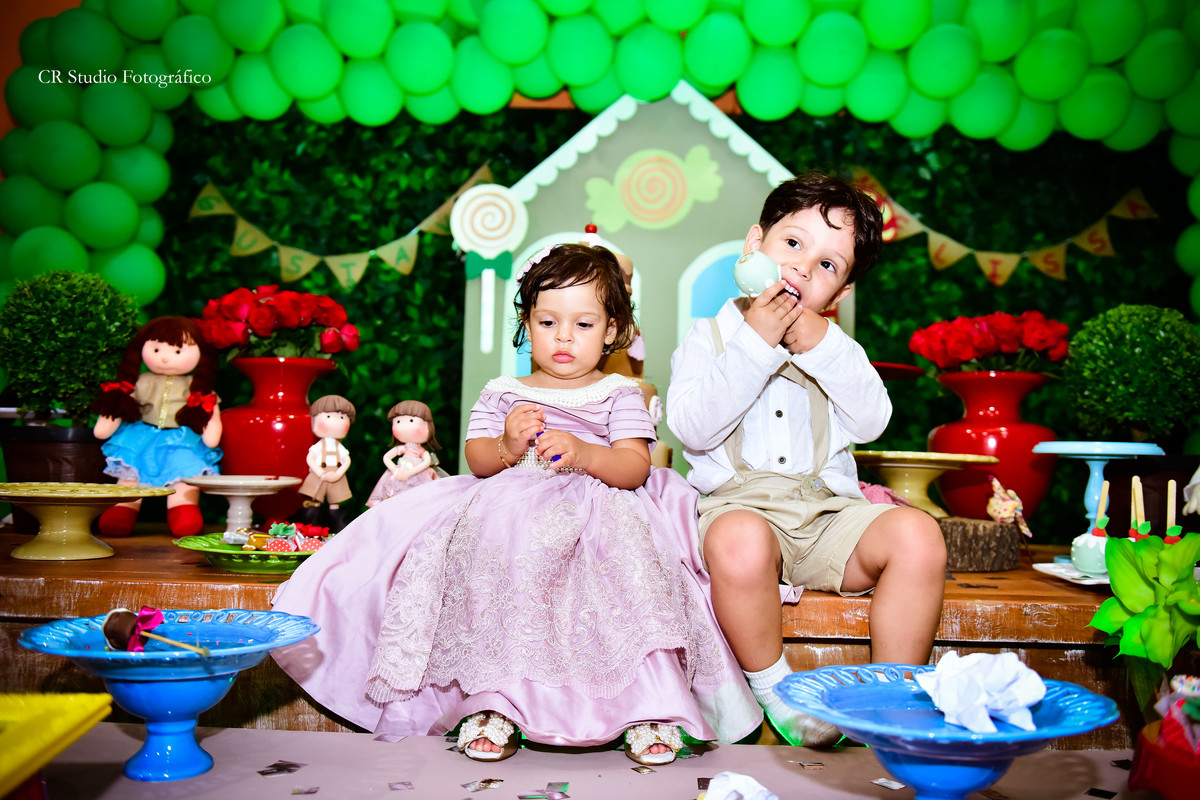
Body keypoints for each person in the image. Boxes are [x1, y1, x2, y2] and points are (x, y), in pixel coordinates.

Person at [272, 243, 760, 765]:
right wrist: (506, 446)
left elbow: (634, 466)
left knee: (630, 575)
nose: (564, 337)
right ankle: (495, 704)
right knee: (495, 566)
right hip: (512, 506)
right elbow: (478, 460)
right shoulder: (504, 390)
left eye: (583, 324)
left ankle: (649, 707)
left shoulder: (619, 392)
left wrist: (586, 453)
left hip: (601, 511)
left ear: (612, 329)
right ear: (527, 324)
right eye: (548, 322)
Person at [667, 172, 947, 747]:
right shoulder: (708, 337)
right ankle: (777, 691)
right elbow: (691, 426)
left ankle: (889, 695)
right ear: (754, 245)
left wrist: (823, 345)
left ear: (839, 295)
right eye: (792, 243)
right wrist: (755, 343)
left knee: (919, 535)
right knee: (739, 540)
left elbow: (872, 421)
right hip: (740, 512)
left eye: (827, 265)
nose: (801, 268)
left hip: (827, 518)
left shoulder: (837, 350)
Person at [92, 316, 223, 538]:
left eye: (177, 351)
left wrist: (211, 433)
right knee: (130, 476)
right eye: (156, 350)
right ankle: (123, 510)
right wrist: (107, 422)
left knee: (184, 478)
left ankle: (183, 510)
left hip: (181, 441)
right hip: (141, 437)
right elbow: (120, 402)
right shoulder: (140, 382)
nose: (165, 358)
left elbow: (209, 409)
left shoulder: (196, 387)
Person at [365, 399, 442, 508]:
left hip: (418, 475)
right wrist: (395, 470)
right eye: (398, 422)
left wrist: (410, 473)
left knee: (420, 500)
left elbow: (427, 462)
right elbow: (386, 457)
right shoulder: (403, 448)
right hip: (399, 472)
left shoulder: (421, 451)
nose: (404, 426)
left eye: (411, 421)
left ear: (427, 426)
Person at [298, 395, 355, 532]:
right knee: (314, 500)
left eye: (342, 417)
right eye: (328, 416)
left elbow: (346, 460)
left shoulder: (339, 447)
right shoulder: (319, 446)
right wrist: (320, 473)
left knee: (335, 502)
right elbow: (310, 458)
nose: (335, 421)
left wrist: (338, 473)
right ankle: (311, 528)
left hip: (336, 476)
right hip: (319, 475)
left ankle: (337, 529)